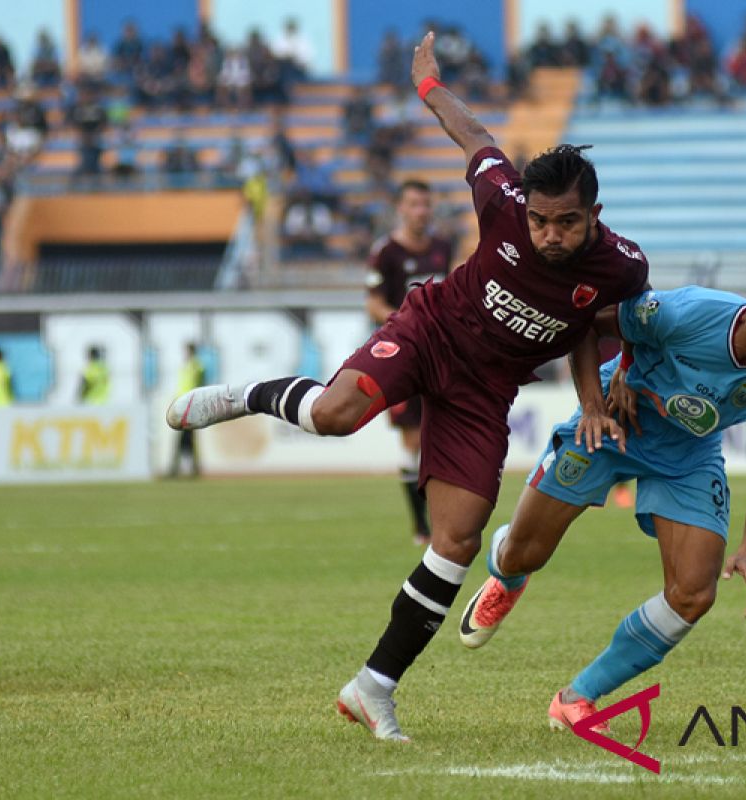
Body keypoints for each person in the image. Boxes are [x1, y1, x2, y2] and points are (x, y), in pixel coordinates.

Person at [165, 31, 649, 742]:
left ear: (595, 218)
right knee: (334, 415)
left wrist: (601, 392)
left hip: (486, 391)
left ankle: (373, 687)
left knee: (456, 539)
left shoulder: (622, 268)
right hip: (431, 330)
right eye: (540, 220)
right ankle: (240, 395)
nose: (547, 234)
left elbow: (592, 325)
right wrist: (427, 84)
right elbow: (474, 132)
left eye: (565, 223)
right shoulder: (504, 201)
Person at [457, 253, 746, 730]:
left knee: (694, 594)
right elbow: (588, 323)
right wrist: (600, 398)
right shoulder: (691, 311)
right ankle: (507, 575)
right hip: (614, 420)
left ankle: (577, 697)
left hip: (688, 451)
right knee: (524, 554)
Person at [365, 180, 454, 546]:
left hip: (438, 355)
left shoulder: (441, 249)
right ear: (401, 208)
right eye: (414, 204)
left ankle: (442, 522)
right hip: (401, 357)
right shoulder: (385, 252)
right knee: (412, 439)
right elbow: (372, 302)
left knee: (442, 438)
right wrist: (406, 324)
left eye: (426, 204)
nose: (421, 211)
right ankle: (421, 526)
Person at [169, 343, 207, 478]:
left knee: (187, 438)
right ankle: (190, 468)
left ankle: (181, 468)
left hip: (190, 404)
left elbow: (201, 383)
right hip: (181, 404)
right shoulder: (185, 365)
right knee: (184, 438)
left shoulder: (197, 366)